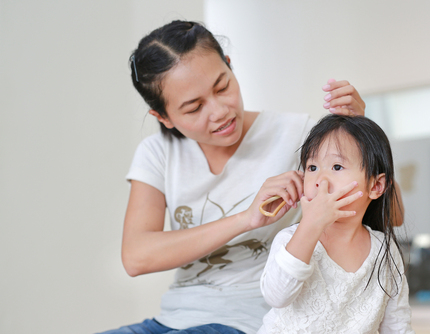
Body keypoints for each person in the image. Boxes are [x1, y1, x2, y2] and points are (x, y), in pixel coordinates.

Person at [99, 20, 370, 334]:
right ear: (163, 117)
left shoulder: (297, 135)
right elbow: (137, 256)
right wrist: (247, 219)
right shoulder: (157, 153)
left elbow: (385, 214)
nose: (220, 111)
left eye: (222, 86)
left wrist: (359, 137)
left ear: (230, 66)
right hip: (170, 321)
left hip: (253, 320)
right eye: (194, 107)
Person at [258, 114, 413, 333]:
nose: (320, 179)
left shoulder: (384, 252)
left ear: (376, 186)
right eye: (312, 167)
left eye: (337, 167)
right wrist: (310, 226)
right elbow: (276, 296)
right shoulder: (290, 240)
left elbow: (397, 324)